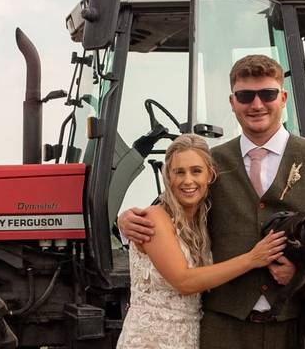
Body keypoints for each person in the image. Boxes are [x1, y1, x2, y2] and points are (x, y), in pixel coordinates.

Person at [120, 54, 305, 348]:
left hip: (292, 328)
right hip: (222, 328)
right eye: (245, 96)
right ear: (233, 102)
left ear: (282, 98)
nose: (256, 104)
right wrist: (126, 221)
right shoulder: (210, 162)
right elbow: (164, 213)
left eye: (267, 94)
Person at [116, 133, 288, 349]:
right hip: (152, 340)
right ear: (167, 176)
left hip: (189, 336)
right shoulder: (155, 218)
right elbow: (184, 281)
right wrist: (252, 259)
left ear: (210, 175)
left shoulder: (203, 221)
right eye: (179, 172)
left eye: (196, 171)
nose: (188, 181)